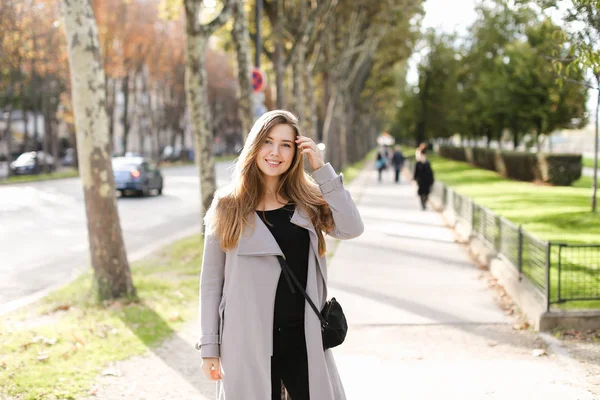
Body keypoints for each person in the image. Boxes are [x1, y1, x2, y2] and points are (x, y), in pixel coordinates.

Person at [196, 110, 364, 400]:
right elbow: (211, 284)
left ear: (296, 151)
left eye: (286, 144)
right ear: (254, 146)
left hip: (304, 339)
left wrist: (322, 170)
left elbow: (351, 227)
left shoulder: (307, 201)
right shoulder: (228, 205)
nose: (275, 152)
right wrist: (209, 348)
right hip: (247, 341)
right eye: (268, 142)